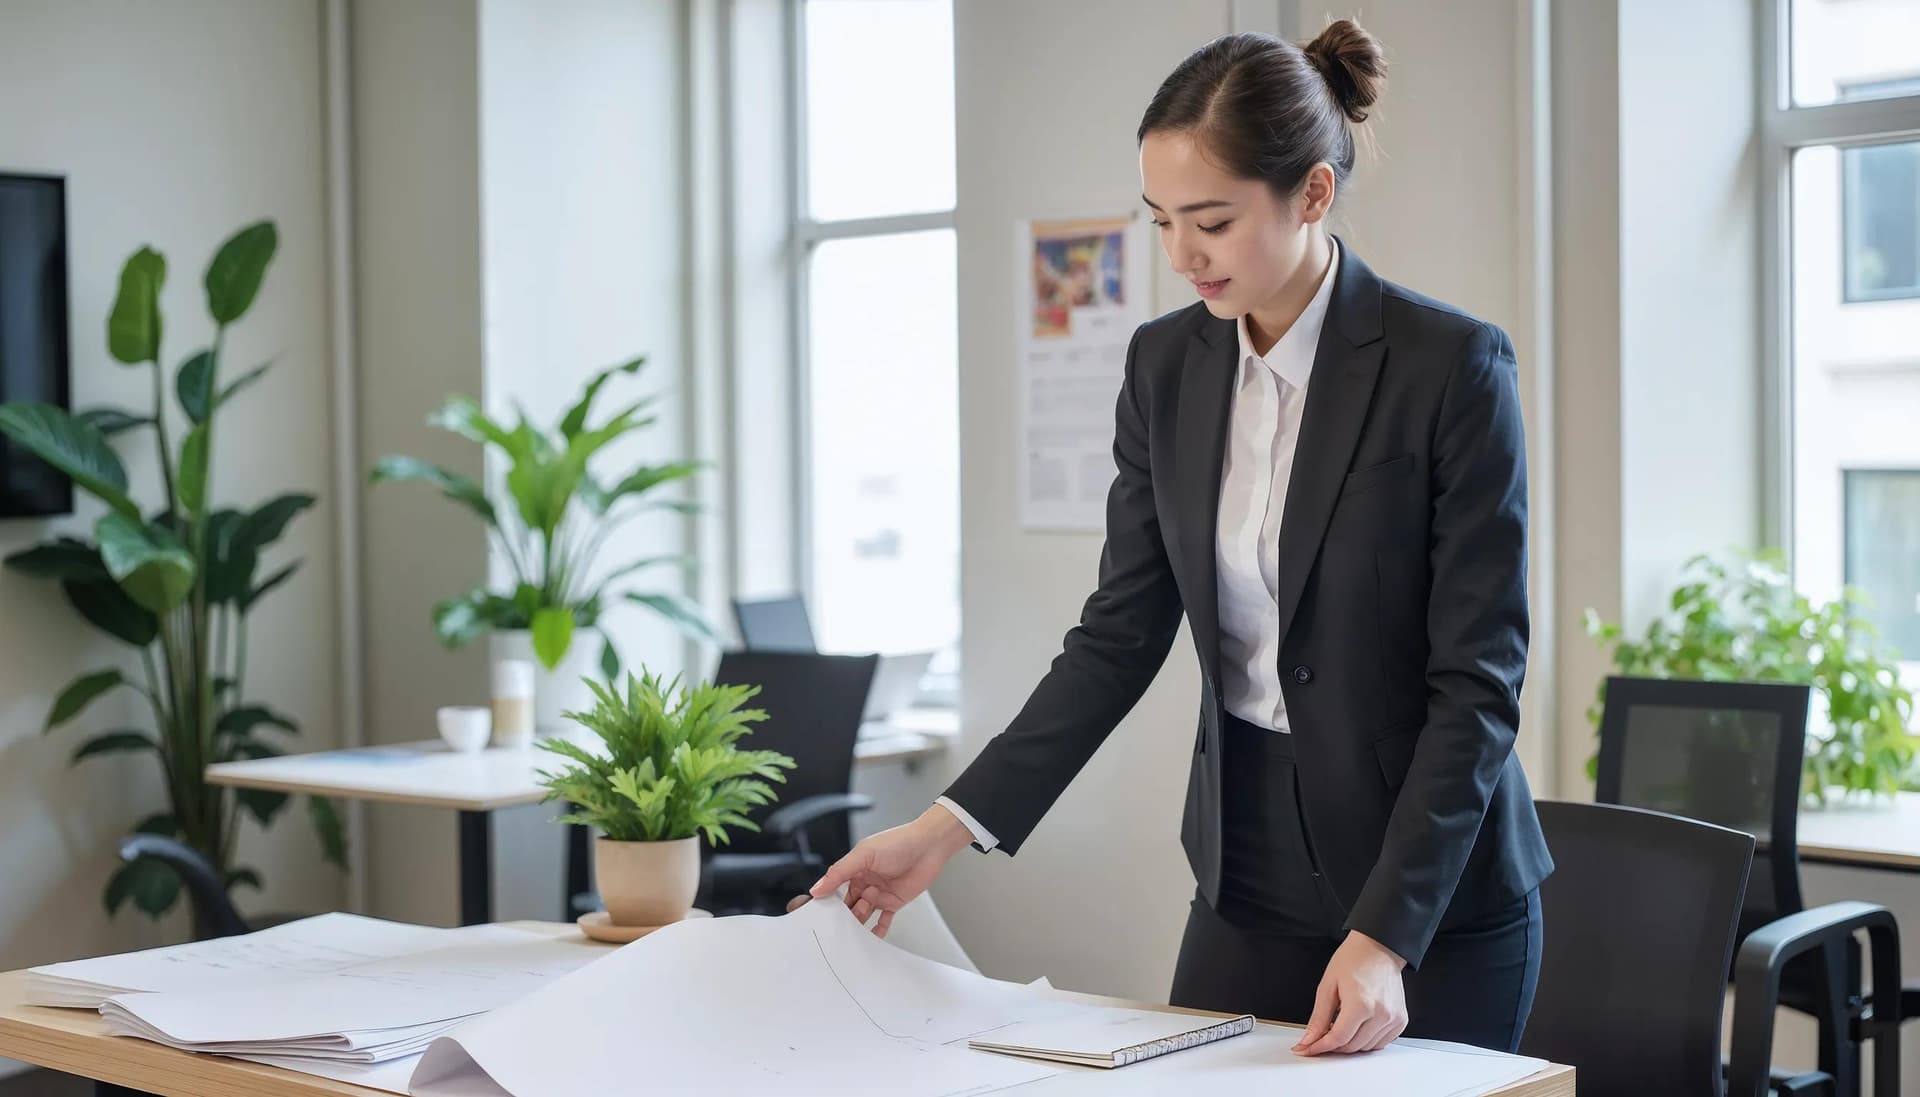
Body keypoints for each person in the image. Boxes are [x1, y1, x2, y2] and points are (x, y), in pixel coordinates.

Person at [807, 19, 1552, 1057]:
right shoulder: (1165, 368)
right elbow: (1117, 635)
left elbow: (1477, 682)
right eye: (1161, 220)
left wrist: (1386, 933)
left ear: (1313, 194)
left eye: (1211, 220)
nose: (1181, 254)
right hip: (1246, 871)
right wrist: (944, 828)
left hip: (1430, 896)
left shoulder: (1450, 366)